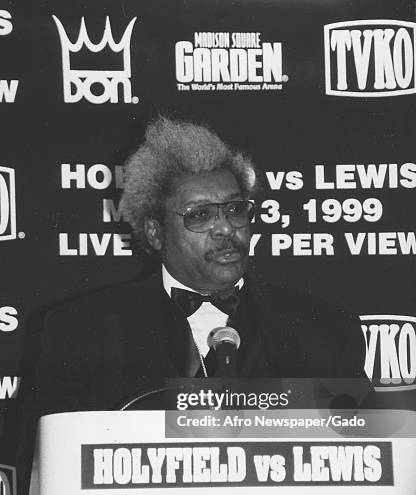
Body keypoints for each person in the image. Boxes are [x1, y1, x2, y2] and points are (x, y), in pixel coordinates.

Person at [26, 115, 367, 416]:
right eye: (199, 215)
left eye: (235, 209)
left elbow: (367, 460)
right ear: (155, 233)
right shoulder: (81, 334)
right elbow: (47, 468)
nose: (226, 229)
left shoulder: (327, 334)